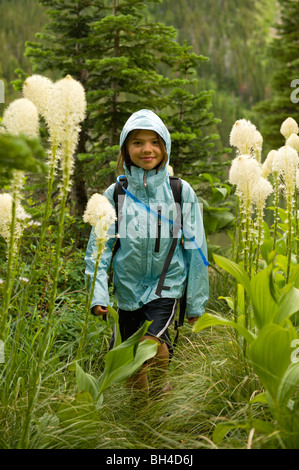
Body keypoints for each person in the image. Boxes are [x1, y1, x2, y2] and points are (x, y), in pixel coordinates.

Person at [85, 109, 209, 399]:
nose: (147, 149)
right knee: (130, 357)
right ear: (126, 150)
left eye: (154, 141)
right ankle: (141, 411)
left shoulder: (180, 191)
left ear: (165, 147)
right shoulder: (114, 194)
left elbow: (197, 249)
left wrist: (195, 302)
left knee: (151, 343)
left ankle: (158, 395)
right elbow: (99, 251)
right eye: (137, 142)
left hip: (166, 284)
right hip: (127, 287)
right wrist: (98, 294)